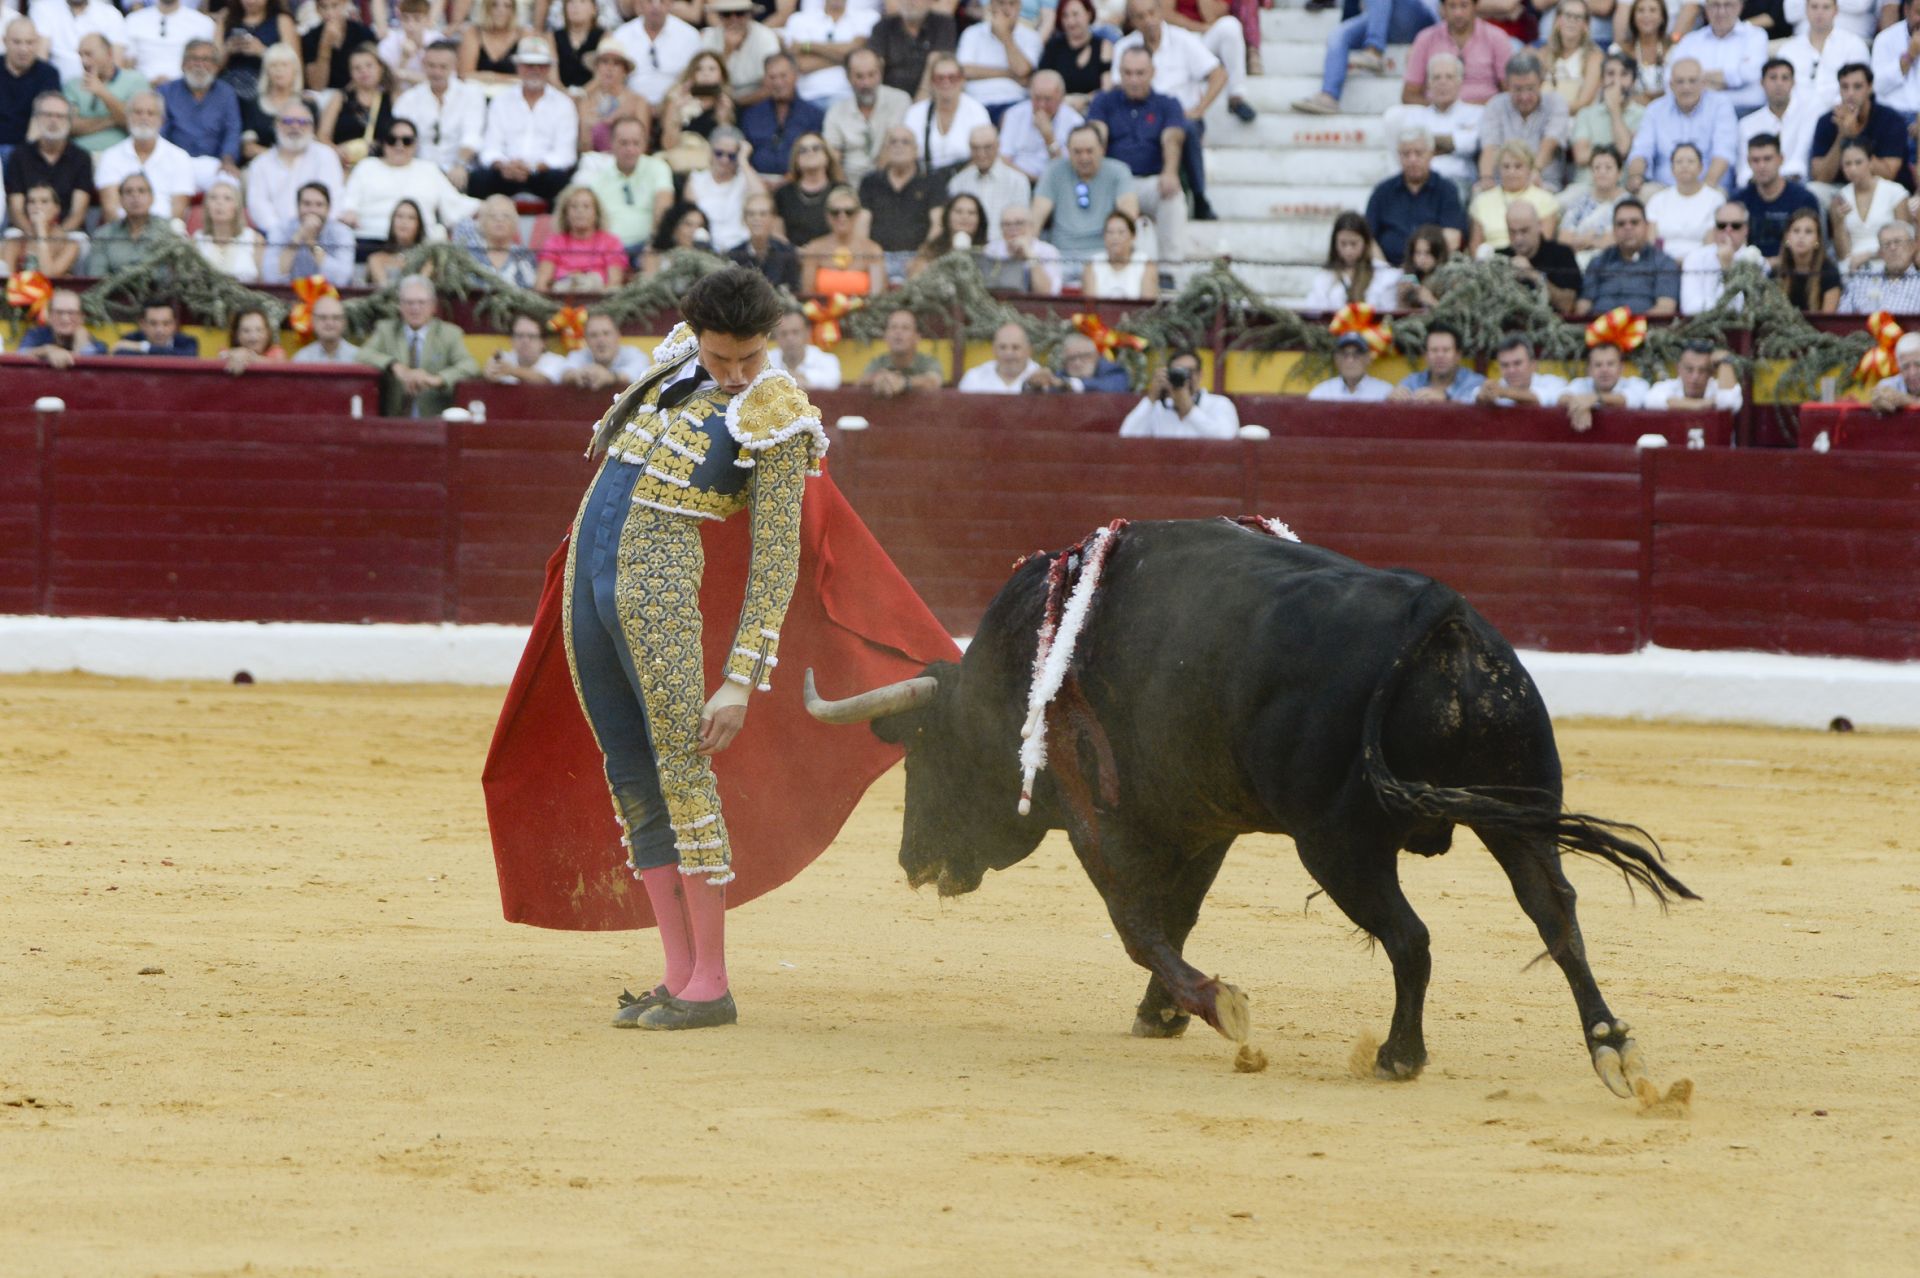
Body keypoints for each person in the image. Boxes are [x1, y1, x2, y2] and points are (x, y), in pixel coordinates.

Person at [547, 267, 831, 1031]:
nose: (735, 376)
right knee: (631, 774)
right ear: (696, 336)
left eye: (748, 359)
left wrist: (741, 678)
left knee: (682, 772)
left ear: (768, 344)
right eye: (721, 358)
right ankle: (677, 973)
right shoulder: (674, 362)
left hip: (660, 598)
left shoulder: (778, 414)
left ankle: (713, 981)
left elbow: (777, 559)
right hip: (591, 590)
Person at [1112, 0, 1229, 216]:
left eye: (1151, 13)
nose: (1148, 21)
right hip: (1138, 116)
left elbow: (1218, 74)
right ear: (1132, 20)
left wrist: (1199, 109)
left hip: (1181, 117)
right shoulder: (1124, 47)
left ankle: (1200, 197)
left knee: (1188, 127)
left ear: (1160, 12)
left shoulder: (1183, 39)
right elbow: (1118, 89)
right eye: (1140, 16)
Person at [1088, 47, 1186, 263]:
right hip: (1111, 182)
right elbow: (1097, 135)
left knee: (1173, 197)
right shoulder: (1103, 102)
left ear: (1153, 72)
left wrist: (1170, 171)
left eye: (1140, 73)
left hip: (1149, 181)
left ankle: (1170, 267)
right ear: (1119, 73)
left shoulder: (1168, 104)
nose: (1133, 80)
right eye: (1128, 73)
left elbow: (1172, 139)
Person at [339, 119, 477, 248]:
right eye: (392, 140)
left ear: (416, 144)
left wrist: (488, 206)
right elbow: (349, 203)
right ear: (383, 142)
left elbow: (455, 204)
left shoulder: (429, 169)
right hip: (372, 239)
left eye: (407, 141)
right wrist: (350, 212)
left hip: (420, 245)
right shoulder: (367, 166)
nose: (399, 146)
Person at [470, 37, 577, 203]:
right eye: (529, 65)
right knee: (478, 179)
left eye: (541, 66)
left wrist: (533, 167)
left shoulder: (563, 104)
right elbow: (490, 148)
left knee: (560, 181)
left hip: (543, 174)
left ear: (548, 68)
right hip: (506, 171)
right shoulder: (501, 101)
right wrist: (505, 166)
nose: (535, 70)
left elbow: (565, 154)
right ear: (518, 67)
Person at [356, 274, 479, 416]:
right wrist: (394, 366)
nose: (415, 308)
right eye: (409, 303)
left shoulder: (450, 333)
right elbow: (362, 355)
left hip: (436, 422)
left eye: (421, 302)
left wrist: (437, 380)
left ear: (433, 306)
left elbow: (470, 366)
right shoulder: (386, 330)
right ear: (400, 306)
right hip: (394, 422)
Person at [1296, 0, 1443, 117]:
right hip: (1381, 17)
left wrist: (1426, 38)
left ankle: (1374, 50)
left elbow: (1446, 9)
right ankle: (1329, 95)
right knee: (1339, 34)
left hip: (1421, 18)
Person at [1031, 122, 1138, 276]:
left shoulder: (1119, 172)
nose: (1084, 157)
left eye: (1089, 151)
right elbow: (1036, 217)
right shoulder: (1054, 171)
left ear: (1102, 149)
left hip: (1104, 257)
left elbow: (1128, 217)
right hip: (1061, 256)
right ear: (1067, 151)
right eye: (1077, 152)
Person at [1626, 58, 1736, 195]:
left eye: (1692, 81)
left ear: (1703, 83)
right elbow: (1641, 151)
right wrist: (1636, 176)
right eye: (1680, 81)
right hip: (1664, 189)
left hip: (1709, 185)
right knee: (1644, 193)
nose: (1686, 87)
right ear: (1671, 85)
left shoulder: (1720, 105)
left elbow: (1723, 152)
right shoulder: (1655, 109)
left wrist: (1704, 192)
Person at [1365, 127, 1469, 266]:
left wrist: (1420, 268)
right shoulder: (1382, 192)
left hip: (1432, 270)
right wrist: (1384, 269)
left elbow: (1453, 237)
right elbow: (1366, 237)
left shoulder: (1446, 190)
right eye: (1406, 154)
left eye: (1418, 153)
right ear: (1398, 156)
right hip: (1388, 270)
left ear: (1431, 154)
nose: (1412, 159)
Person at [1475, 52, 1570, 196]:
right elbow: (1490, 146)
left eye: (1530, 88)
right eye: (1518, 89)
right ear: (1507, 85)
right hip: (1501, 185)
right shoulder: (1495, 105)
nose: (1524, 96)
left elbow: (1550, 143)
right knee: (1478, 195)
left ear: (1541, 82)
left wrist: (1534, 172)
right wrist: (1486, 178)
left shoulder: (1556, 103)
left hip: (1543, 184)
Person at [244, 96, 343, 233]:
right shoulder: (260, 164)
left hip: (320, 234)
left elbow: (334, 199)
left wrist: (315, 229)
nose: (295, 127)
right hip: (274, 238)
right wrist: (281, 235)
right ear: (276, 125)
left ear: (312, 127)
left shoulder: (326, 156)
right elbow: (258, 206)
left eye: (302, 122)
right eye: (288, 121)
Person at [1389, 53, 1482, 195]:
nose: (1442, 82)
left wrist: (1427, 145)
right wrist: (1451, 145)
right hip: (1420, 182)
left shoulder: (1477, 114)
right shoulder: (1415, 115)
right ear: (1429, 83)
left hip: (1459, 182)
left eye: (1449, 77)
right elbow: (1410, 149)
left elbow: (1470, 146)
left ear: (1459, 81)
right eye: (1436, 77)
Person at [91, 90, 190, 222]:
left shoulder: (180, 158)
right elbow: (110, 210)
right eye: (138, 112)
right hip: (122, 237)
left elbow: (178, 212)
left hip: (165, 237)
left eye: (151, 113)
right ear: (128, 117)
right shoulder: (110, 156)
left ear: (162, 120)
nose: (144, 118)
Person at [1807, 61, 1909, 189]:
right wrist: (1842, 136)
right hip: (1841, 190)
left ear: (1870, 87)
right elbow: (1820, 178)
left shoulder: (1891, 120)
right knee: (1814, 190)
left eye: (1857, 87)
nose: (1850, 93)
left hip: (1880, 188)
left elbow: (1888, 174)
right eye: (1845, 87)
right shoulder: (1827, 121)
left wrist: (1855, 137)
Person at [396, 39, 484, 186]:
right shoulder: (408, 99)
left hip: (460, 171)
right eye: (431, 66)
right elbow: (402, 138)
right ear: (423, 65)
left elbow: (472, 135)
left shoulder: (471, 94)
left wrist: (460, 165)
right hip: (419, 171)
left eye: (443, 67)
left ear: (454, 67)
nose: (436, 72)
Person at [158, 38, 241, 189]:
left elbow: (232, 130)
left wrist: (227, 160)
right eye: (193, 59)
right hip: (173, 162)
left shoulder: (226, 93)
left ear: (216, 66)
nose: (199, 64)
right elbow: (160, 131)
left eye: (206, 59)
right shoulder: (166, 91)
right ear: (182, 64)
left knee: (230, 183)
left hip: (213, 164)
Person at [586, 114, 673, 259]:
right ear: (611, 143)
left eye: (636, 143)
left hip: (648, 246)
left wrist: (654, 244)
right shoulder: (597, 179)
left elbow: (663, 210)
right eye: (624, 143)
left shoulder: (658, 167)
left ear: (645, 144)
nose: (630, 149)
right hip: (609, 251)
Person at [5, 90, 93, 230]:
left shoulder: (81, 158)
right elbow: (16, 210)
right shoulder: (19, 155)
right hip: (24, 232)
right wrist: (35, 237)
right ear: (37, 118)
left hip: (68, 235)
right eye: (47, 115)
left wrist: (56, 240)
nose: (53, 120)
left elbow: (78, 212)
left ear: (69, 121)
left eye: (60, 116)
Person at [1402, 0, 1515, 108]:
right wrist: (1441, 108)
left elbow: (1510, 91)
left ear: (1476, 6)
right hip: (1436, 117)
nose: (1458, 13)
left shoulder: (1497, 38)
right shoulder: (1426, 39)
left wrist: (1463, 108)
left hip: (1483, 115)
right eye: (1452, 6)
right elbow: (1409, 95)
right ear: (1443, 8)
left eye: (1464, 5)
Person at [1577, 198, 1681, 314]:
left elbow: (1665, 308)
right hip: (1599, 328)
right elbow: (1583, 306)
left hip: (1646, 329)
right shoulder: (1598, 262)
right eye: (1621, 224)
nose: (1628, 228)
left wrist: (1628, 327)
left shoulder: (1663, 262)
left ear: (1646, 227)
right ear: (1614, 230)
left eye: (1634, 222)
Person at [823, 46, 909, 186]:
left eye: (871, 75)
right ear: (848, 77)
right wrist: (846, 193)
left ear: (880, 73)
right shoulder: (836, 112)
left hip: (890, 183)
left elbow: (892, 146)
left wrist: (873, 189)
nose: (866, 83)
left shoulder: (900, 100)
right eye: (859, 76)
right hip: (850, 184)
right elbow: (833, 160)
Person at [858, 125, 943, 261]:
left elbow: (937, 224)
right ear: (885, 150)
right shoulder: (870, 182)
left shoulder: (932, 181)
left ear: (916, 150)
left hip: (918, 256)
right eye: (893, 142)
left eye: (905, 142)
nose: (899, 146)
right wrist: (867, 257)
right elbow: (862, 225)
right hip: (878, 257)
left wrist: (922, 258)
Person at [1118, 346, 1239, 438]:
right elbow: (1126, 436)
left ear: (1200, 375)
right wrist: (1151, 398)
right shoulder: (1159, 408)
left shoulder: (1219, 404)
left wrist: (1189, 410)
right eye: (1177, 372)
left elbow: (1227, 438)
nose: (1184, 377)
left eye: (1189, 371)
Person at [1669, 0, 1767, 113]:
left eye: (1728, 5)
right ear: (1706, 8)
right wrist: (1731, 79)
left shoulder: (1755, 35)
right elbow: (1671, 77)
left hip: (1746, 110)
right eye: (1715, 5)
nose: (1721, 11)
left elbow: (1750, 73)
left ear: (1740, 6)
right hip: (1699, 111)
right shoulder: (1690, 40)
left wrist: (1698, 80)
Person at [1735, 58, 1818, 189]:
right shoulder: (1747, 124)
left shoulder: (1808, 116)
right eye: (1773, 78)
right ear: (1762, 83)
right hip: (1757, 189)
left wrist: (1774, 182)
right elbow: (1744, 173)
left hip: (1796, 188)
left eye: (1785, 78)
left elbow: (1799, 164)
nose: (1779, 83)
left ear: (1793, 83)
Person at [1735, 132, 1821, 257]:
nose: (1762, 166)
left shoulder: (1803, 200)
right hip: (1749, 271)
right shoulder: (1739, 201)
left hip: (1792, 270)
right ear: (1748, 162)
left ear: (1780, 159)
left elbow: (1814, 245)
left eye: (1767, 159)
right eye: (1755, 160)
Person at [953, 0, 1040, 123]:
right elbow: (965, 70)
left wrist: (1004, 35)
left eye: (1012, 4)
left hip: (1014, 102)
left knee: (1014, 118)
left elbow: (1021, 70)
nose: (1006, 9)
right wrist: (1009, 74)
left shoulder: (1031, 37)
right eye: (1001, 3)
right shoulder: (971, 33)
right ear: (991, 5)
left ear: (1019, 7)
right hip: (975, 102)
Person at [63, 31, 147, 157]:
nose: (84, 61)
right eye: (81, 55)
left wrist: (102, 92)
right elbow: (69, 127)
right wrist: (112, 119)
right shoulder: (73, 85)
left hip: (121, 157)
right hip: (79, 158)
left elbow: (136, 124)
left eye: (89, 54)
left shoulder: (136, 80)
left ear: (109, 53)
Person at [741, 52, 823, 180]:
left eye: (783, 76)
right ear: (765, 80)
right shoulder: (751, 115)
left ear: (795, 76)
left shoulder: (814, 115)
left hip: (799, 183)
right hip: (757, 182)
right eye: (772, 77)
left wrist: (789, 179)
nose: (778, 82)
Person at [1468, 141, 1559, 254]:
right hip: (1491, 262)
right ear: (1498, 169)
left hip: (1531, 260)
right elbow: (1475, 246)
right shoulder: (1482, 200)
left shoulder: (1546, 199)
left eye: (1518, 166)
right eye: (1506, 167)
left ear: (1529, 169)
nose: (1511, 172)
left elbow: (1545, 242)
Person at [902, 53, 990, 171]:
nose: (946, 82)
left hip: (965, 177)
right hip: (925, 178)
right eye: (940, 78)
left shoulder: (976, 110)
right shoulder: (916, 112)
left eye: (952, 78)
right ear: (932, 82)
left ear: (962, 80)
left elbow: (985, 153)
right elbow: (906, 151)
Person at [946, 121, 1032, 242]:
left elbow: (1021, 225)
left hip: (1005, 251)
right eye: (975, 148)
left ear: (998, 146)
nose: (981, 154)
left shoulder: (1017, 181)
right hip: (967, 250)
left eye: (987, 147)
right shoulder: (958, 182)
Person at [1829, 138, 1907, 268]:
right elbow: (1842, 254)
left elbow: (1905, 242)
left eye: (1858, 162)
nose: (1853, 169)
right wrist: (1839, 223)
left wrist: (1869, 255)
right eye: (1847, 164)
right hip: (1853, 265)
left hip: (1890, 262)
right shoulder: (1840, 198)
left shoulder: (1895, 192)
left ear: (1871, 162)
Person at [1778, 0, 1869, 112]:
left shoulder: (1854, 45)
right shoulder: (1788, 50)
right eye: (1814, 7)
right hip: (1796, 116)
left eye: (1826, 7)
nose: (1819, 12)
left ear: (1836, 10)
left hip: (1840, 116)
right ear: (1806, 9)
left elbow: (1859, 89)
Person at [783, 0, 877, 108]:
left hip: (852, 98)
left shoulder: (868, 17)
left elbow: (863, 57)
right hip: (809, 98)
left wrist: (808, 46)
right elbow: (801, 64)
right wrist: (849, 57)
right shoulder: (799, 20)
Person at [318, 43, 396, 171]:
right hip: (345, 166)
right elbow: (322, 135)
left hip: (383, 166)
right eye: (357, 68)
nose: (364, 71)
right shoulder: (340, 98)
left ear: (380, 67)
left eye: (369, 66)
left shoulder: (391, 98)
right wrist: (336, 151)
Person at [998, 67, 1081, 186]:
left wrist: (1049, 138)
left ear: (1061, 98)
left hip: (1058, 185)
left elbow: (1070, 170)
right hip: (1017, 181)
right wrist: (1031, 180)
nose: (1041, 105)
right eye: (1037, 98)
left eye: (1048, 99)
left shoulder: (1074, 121)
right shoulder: (1014, 115)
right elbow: (1004, 160)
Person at [1568, 52, 1641, 188]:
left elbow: (1623, 149)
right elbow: (1581, 155)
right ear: (1601, 81)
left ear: (1634, 81)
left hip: (1621, 188)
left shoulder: (1643, 115)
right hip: (1584, 186)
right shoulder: (1586, 114)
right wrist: (1614, 147)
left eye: (1624, 74)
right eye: (1610, 74)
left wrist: (1614, 110)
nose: (1616, 81)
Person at [536, 183, 627, 290]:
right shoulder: (554, 242)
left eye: (586, 206)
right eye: (574, 206)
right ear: (565, 213)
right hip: (561, 299)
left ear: (596, 213)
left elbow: (614, 283)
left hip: (599, 299)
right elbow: (541, 284)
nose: (580, 211)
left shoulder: (611, 242)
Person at [1680, 199, 1767, 312]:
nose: (1728, 230)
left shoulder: (1756, 260)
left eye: (1735, 226)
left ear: (1746, 229)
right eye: (1721, 225)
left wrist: (1727, 269)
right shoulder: (1695, 258)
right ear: (1714, 229)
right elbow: (1689, 307)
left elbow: (1745, 308)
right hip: (1701, 327)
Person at [1304, 211, 1401, 311]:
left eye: (1353, 244)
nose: (1348, 250)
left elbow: (1389, 311)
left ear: (1366, 242)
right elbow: (1313, 310)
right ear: (1335, 243)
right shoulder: (1325, 276)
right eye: (1343, 244)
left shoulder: (1383, 274)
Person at [265, 179, 355, 285]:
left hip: (329, 295)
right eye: (307, 204)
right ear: (298, 207)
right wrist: (298, 236)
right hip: (288, 294)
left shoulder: (342, 233)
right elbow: (270, 277)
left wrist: (312, 243)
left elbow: (341, 279)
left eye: (319, 205)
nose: (313, 210)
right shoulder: (281, 229)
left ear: (328, 208)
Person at [800, 180, 885, 292]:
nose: (842, 217)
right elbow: (807, 293)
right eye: (835, 212)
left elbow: (877, 296)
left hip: (863, 309)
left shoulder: (873, 250)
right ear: (827, 216)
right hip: (821, 309)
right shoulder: (814, 248)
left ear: (858, 215)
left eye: (849, 212)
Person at [686, 124, 761, 252]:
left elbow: (761, 199)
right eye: (719, 153)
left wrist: (743, 161)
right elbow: (689, 216)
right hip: (704, 248)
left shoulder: (744, 180)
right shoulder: (696, 179)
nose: (724, 160)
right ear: (710, 152)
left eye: (731, 156)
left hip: (740, 250)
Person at [656, 50, 735, 170]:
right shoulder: (676, 101)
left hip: (712, 165)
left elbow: (728, 150)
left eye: (712, 69)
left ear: (722, 76)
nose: (705, 73)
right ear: (692, 74)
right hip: (679, 161)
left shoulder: (728, 104)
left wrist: (723, 119)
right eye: (699, 69)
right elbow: (668, 145)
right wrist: (675, 111)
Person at [613, 0, 701, 107]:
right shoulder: (621, 35)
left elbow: (695, 75)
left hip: (676, 103)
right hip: (631, 104)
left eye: (662, 1)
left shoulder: (690, 35)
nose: (656, 6)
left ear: (670, 4)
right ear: (640, 4)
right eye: (650, 1)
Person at [1498, 200, 1582, 310]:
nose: (1518, 238)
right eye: (1512, 232)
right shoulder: (1499, 258)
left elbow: (1567, 305)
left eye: (1524, 231)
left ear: (1539, 226)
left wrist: (1534, 276)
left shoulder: (1561, 254)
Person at [84, 170, 173, 274]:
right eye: (128, 192)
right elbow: (96, 275)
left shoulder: (168, 231)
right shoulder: (103, 235)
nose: (135, 196)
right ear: (120, 200)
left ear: (152, 198)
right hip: (114, 289)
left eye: (141, 191)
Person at [1645, 141, 1722, 260]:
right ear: (1672, 168)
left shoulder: (1715, 199)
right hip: (1663, 265)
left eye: (1690, 161)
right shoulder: (1658, 200)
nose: (1684, 166)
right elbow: (1651, 241)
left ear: (1701, 167)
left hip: (1701, 264)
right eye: (1679, 162)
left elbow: (1711, 244)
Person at [868, 0, 957, 101]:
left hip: (931, 98)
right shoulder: (883, 26)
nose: (910, 2)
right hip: (891, 97)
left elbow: (937, 59)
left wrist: (923, 95)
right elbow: (876, 63)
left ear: (930, 2)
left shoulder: (943, 24)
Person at [242, 42, 316, 162]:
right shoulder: (254, 105)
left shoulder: (307, 104)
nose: (279, 70)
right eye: (273, 65)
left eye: (284, 65)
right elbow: (248, 149)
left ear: (295, 70)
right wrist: (280, 158)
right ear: (266, 71)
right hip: (262, 167)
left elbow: (312, 147)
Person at [214, 0, 298, 100]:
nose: (251, 1)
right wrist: (227, 50)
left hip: (267, 86)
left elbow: (294, 63)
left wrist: (262, 51)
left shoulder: (282, 20)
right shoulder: (226, 18)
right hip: (228, 87)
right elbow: (212, 66)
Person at [1561, 339, 1651, 431]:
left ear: (1621, 368)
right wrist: (1581, 405)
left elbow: (1625, 399)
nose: (1604, 370)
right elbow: (1563, 397)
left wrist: (1595, 399)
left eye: (1610, 364)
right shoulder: (1580, 383)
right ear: (1589, 370)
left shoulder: (1637, 384)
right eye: (1598, 365)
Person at [1, 180, 86, 276]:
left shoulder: (70, 245)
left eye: (44, 201)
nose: (37, 206)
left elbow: (50, 276)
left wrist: (41, 231)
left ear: (56, 209)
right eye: (32, 202)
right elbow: (8, 280)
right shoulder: (14, 243)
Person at [701, 0, 780, 103]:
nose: (734, 19)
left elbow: (771, 84)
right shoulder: (709, 37)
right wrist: (727, 50)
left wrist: (737, 104)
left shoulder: (766, 37)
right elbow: (705, 80)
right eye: (727, 14)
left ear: (750, 15)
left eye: (740, 13)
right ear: (720, 16)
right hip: (717, 100)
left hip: (757, 101)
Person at [1561, 145, 1629, 263]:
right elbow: (1564, 240)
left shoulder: (1628, 204)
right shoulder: (1580, 202)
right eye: (1597, 168)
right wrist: (1597, 239)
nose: (1602, 172)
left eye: (1608, 168)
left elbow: (1619, 241)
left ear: (1620, 173)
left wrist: (1589, 240)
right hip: (1577, 260)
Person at [1039, 0, 1109, 114]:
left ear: (1089, 14)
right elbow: (1042, 81)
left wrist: (1084, 99)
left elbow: (1107, 90)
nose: (1070, 21)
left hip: (1092, 110)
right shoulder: (1053, 46)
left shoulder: (1104, 46)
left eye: (1075, 15)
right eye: (1065, 16)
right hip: (1057, 110)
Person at [1388, 321, 1486, 401]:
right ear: (1425, 356)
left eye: (1446, 350)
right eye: (1434, 350)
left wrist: (1446, 400)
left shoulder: (1474, 382)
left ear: (1458, 355)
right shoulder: (1413, 382)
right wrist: (1391, 399)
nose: (1440, 355)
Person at [125, 0, 214, 87]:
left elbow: (210, 63)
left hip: (187, 90)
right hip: (142, 90)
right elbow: (127, 64)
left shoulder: (203, 23)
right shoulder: (133, 20)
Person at [456, 192, 539, 286]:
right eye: (493, 216)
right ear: (482, 222)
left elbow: (531, 290)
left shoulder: (524, 256)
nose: (500, 220)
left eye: (506, 216)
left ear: (515, 223)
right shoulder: (470, 254)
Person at [858, 305, 943, 395]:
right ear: (885, 336)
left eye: (905, 328)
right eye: (893, 327)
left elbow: (933, 382)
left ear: (917, 337)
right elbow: (860, 382)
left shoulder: (928, 362)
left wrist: (905, 383)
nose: (898, 332)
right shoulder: (878, 361)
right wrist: (879, 379)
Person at [775, 129, 841, 245]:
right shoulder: (783, 194)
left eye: (816, 148)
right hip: (793, 258)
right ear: (796, 159)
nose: (810, 153)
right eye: (803, 150)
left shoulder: (841, 191)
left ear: (827, 156)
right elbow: (777, 236)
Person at [1838, 218, 1920, 311]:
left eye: (1898, 242)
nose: (1892, 248)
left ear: (1912, 247)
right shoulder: (1862, 279)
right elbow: (1842, 317)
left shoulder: (1918, 281)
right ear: (1880, 252)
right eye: (1886, 244)